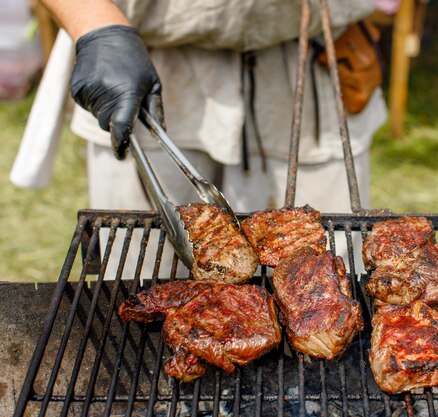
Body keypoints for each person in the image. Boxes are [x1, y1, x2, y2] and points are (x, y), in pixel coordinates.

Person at [40, 0, 387, 277]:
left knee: (328, 273)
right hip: (140, 64)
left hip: (310, 60)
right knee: (137, 274)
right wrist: (95, 26)